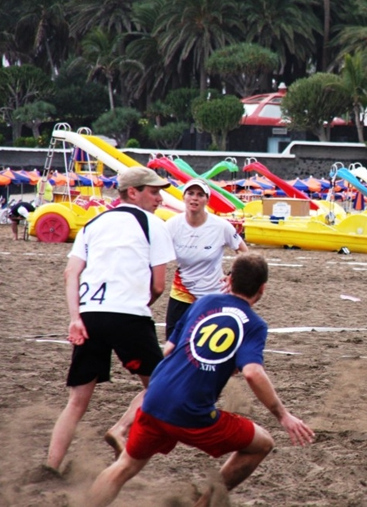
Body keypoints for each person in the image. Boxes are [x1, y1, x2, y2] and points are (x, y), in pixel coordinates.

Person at [86, 254, 315, 507]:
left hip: (153, 398)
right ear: (262, 288)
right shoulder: (254, 324)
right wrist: (283, 416)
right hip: (190, 411)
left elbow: (169, 350)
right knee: (262, 443)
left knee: (124, 466)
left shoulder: (204, 302)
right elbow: (252, 372)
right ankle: (204, 504)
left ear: (229, 280)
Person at [46, 166, 176, 472]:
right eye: (153, 192)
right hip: (129, 316)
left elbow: (71, 273)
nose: (159, 198)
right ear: (133, 192)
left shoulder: (93, 223)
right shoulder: (153, 225)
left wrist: (75, 318)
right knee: (161, 387)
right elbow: (159, 286)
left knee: (76, 403)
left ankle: (50, 466)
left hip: (89, 315)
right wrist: (138, 302)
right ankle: (120, 429)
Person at [165, 178, 248, 339]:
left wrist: (234, 276)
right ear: (183, 197)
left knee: (211, 342)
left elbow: (244, 252)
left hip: (213, 293)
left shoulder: (221, 226)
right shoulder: (172, 225)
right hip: (182, 291)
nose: (194, 198)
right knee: (173, 340)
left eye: (200, 195)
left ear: (207, 200)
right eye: (190, 193)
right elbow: (154, 251)